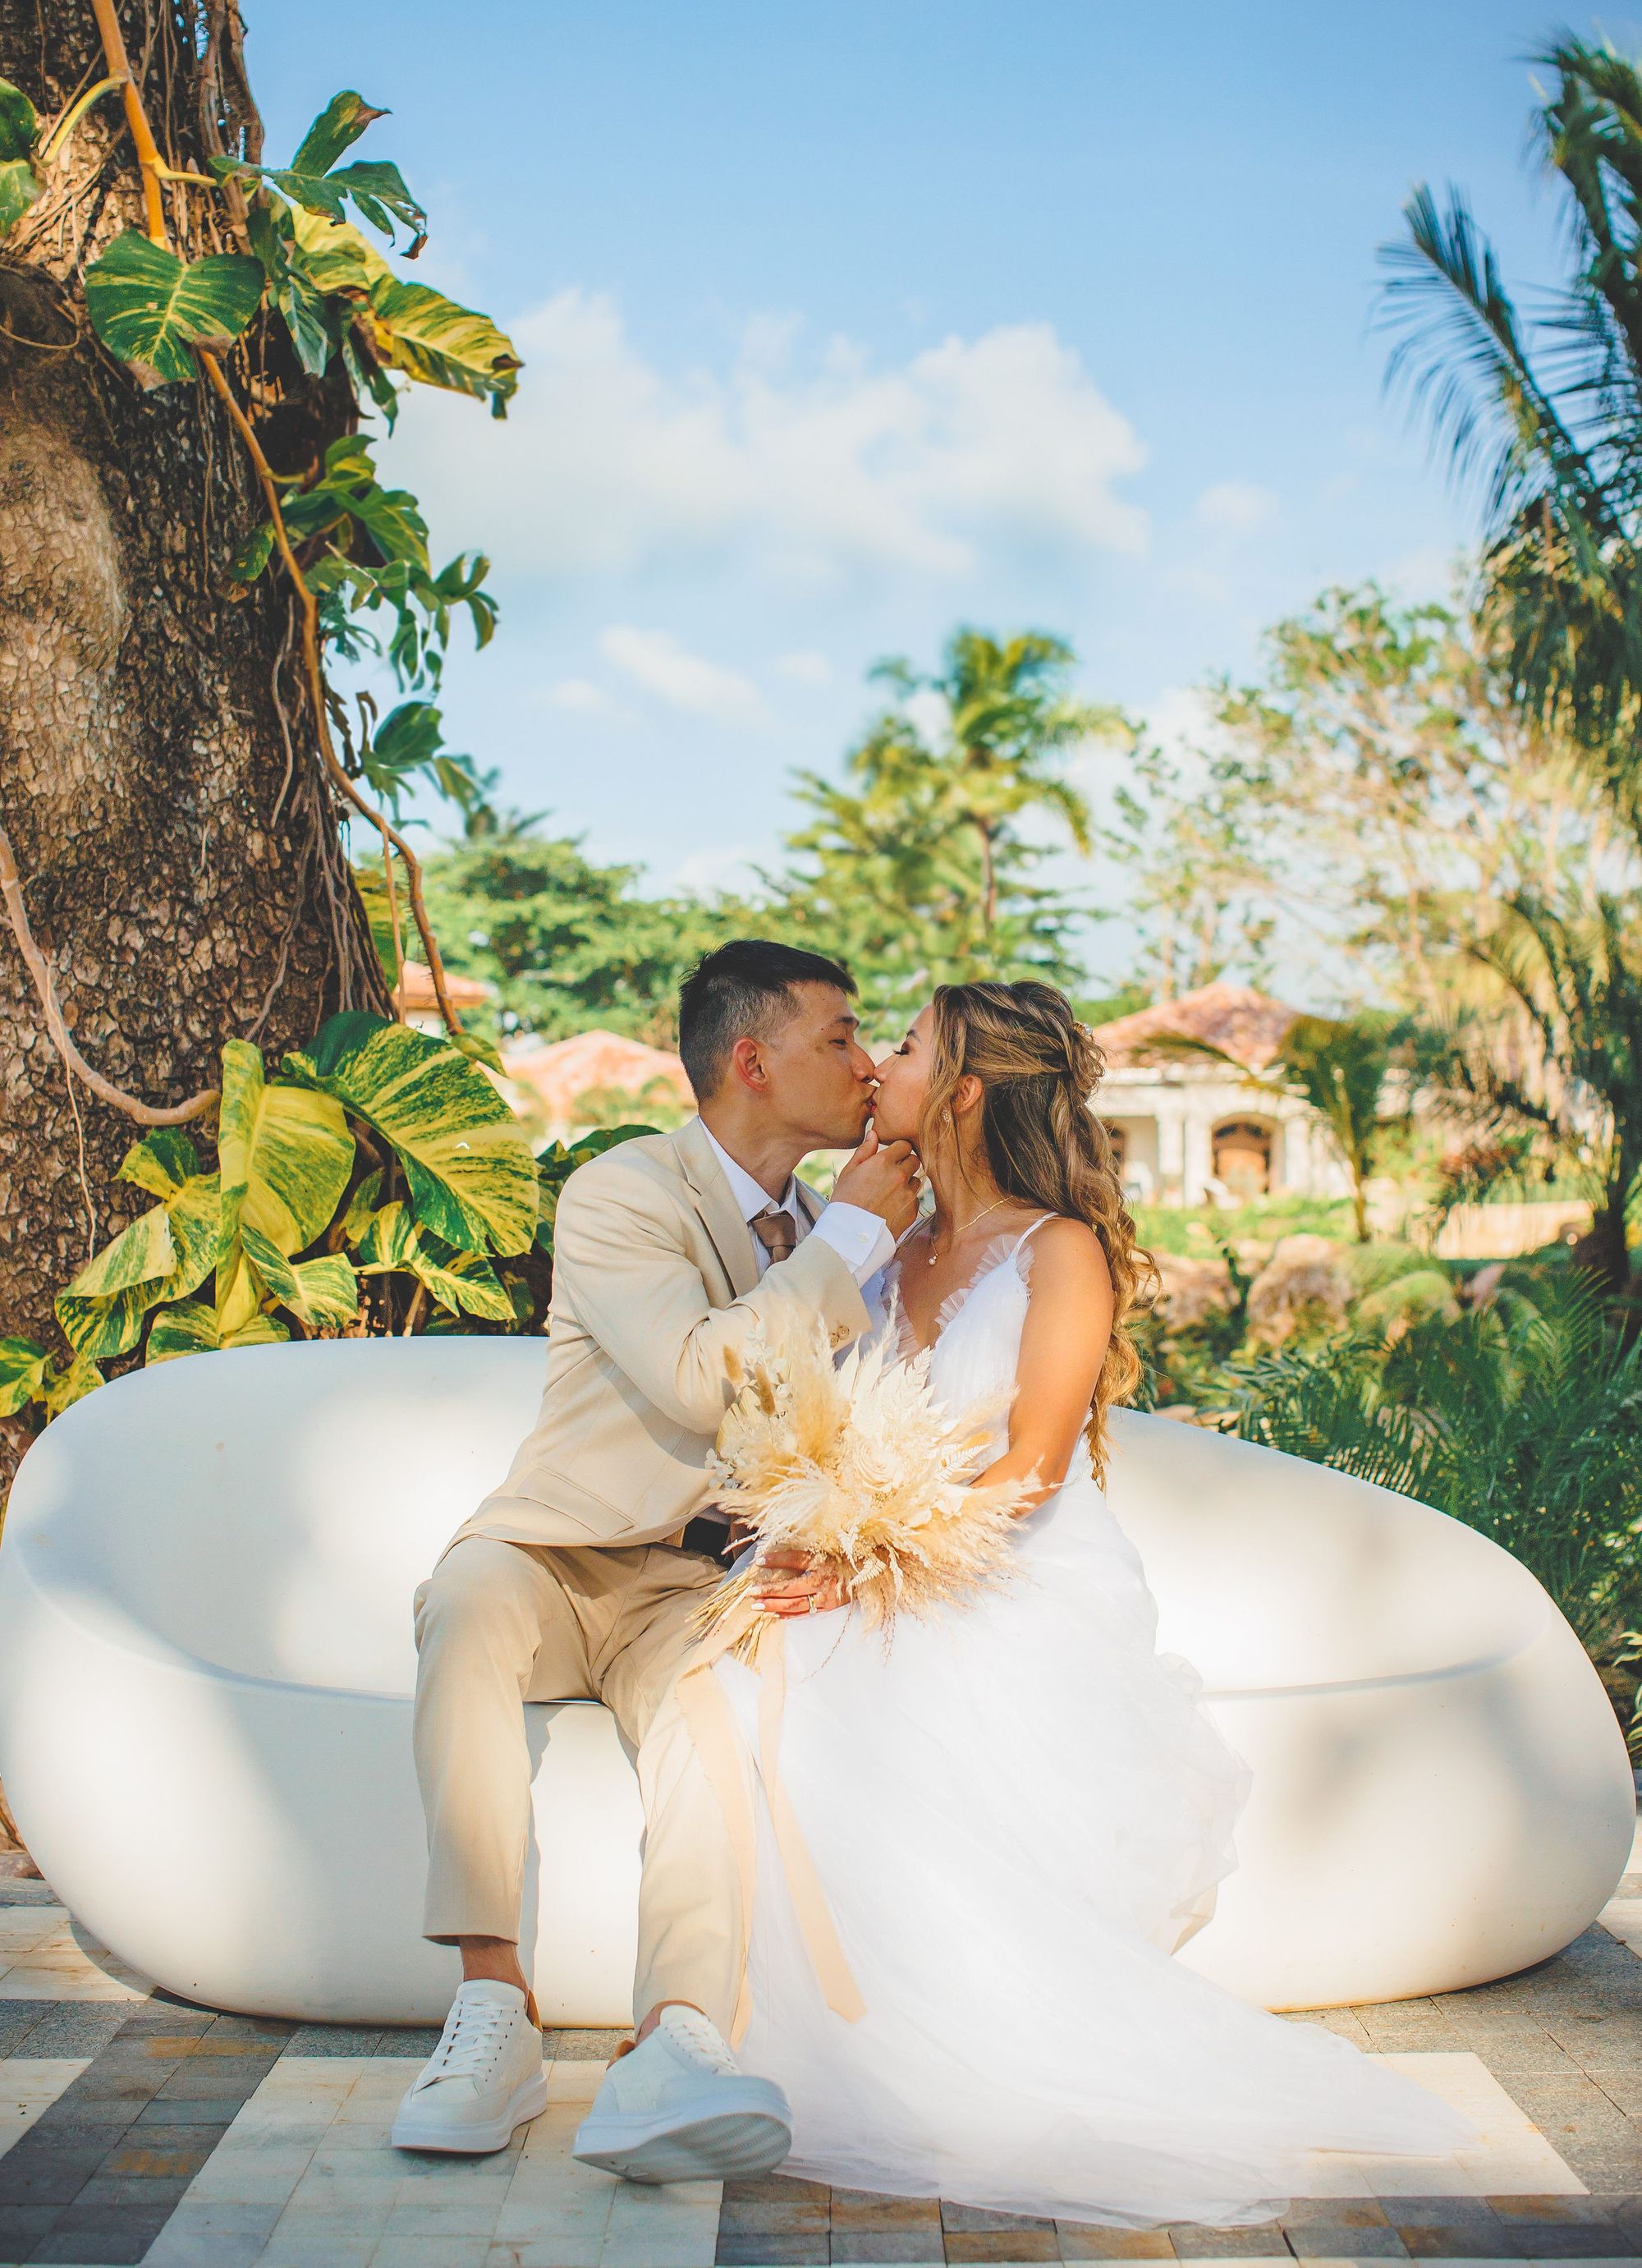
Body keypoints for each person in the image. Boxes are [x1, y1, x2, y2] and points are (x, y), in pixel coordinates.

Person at [699, 978, 1478, 2230]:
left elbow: (1033, 1464)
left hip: (1009, 1573)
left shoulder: (1056, 1248)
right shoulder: (885, 1245)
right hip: (885, 1555)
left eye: (900, 1047)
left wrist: (867, 1561)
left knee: (857, 1706)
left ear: (960, 1090)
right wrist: (811, 1534)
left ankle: (970, 2039)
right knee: (748, 1682)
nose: (875, 1068)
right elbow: (817, 1419)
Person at [391, 940, 921, 2169]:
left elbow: (876, 1412)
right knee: (464, 1604)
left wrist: (852, 1546)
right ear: (753, 1059)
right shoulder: (626, 1191)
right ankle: (492, 2005)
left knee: (712, 1711)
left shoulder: (850, 1224)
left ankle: (677, 2034)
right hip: (556, 1550)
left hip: (699, 1579)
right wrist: (842, 1245)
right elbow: (696, 1376)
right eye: (840, 1035)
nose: (864, 1058)